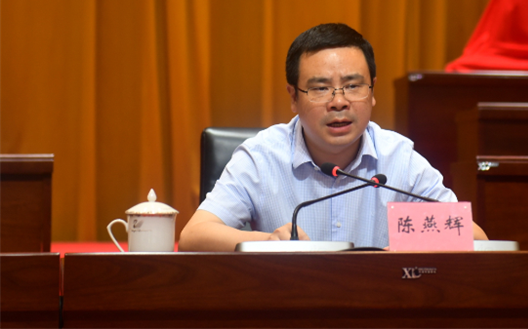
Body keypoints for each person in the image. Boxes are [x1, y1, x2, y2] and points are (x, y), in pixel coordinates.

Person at [179, 23, 487, 250]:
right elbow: (194, 235)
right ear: (293, 97)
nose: (339, 101)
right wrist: (268, 242)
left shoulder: (399, 160)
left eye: (353, 86)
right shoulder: (261, 157)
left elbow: (476, 239)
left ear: (372, 91)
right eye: (320, 88)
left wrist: (411, 244)